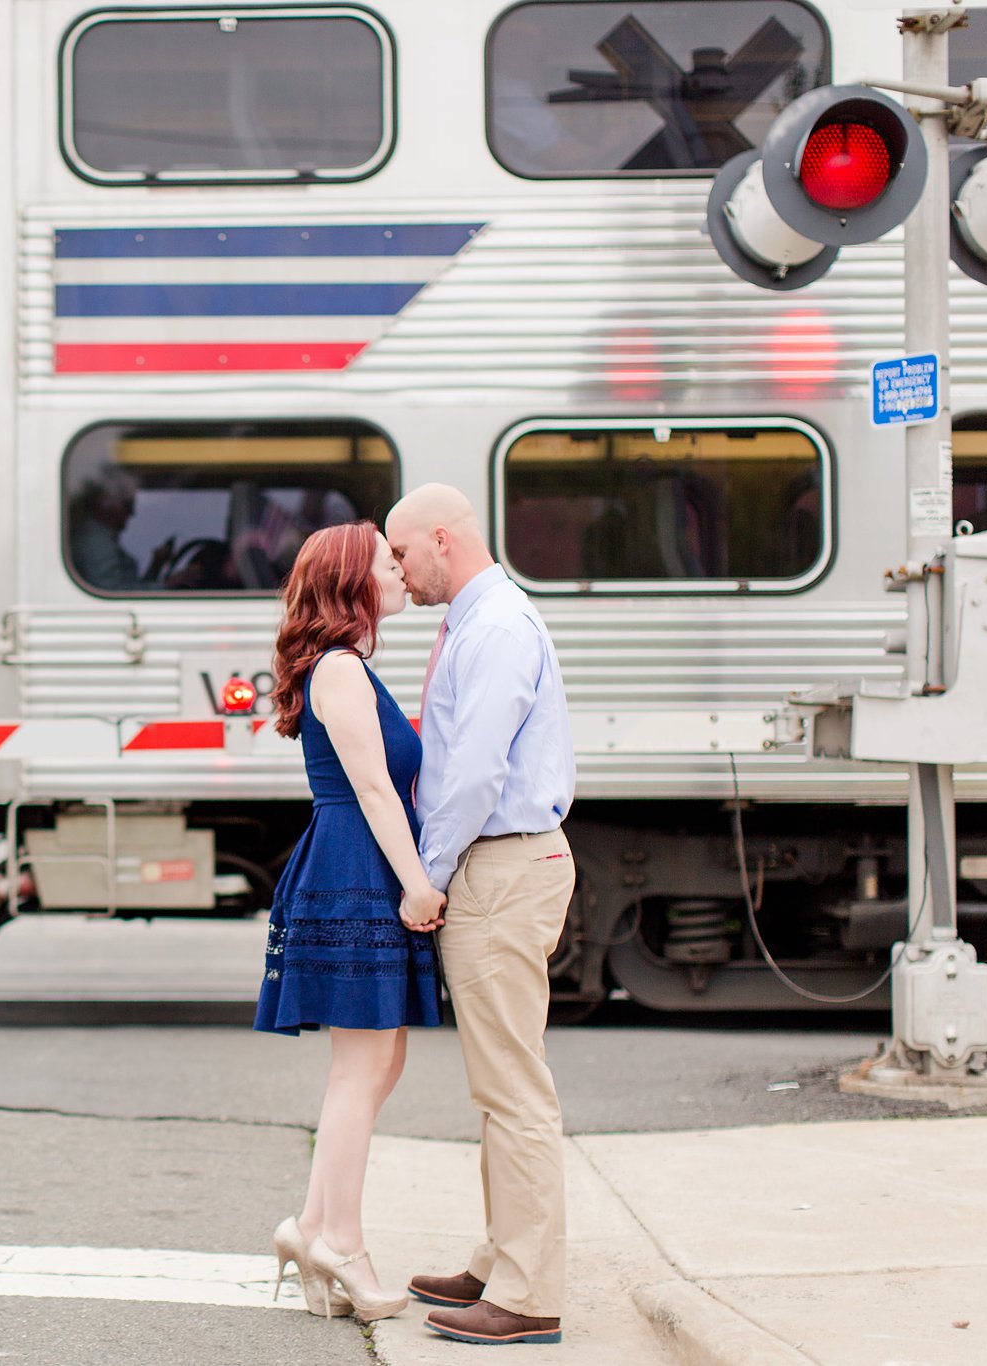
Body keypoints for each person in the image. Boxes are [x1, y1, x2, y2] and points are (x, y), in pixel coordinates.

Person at [383, 483, 577, 1348]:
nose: (396, 571)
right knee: (502, 1081)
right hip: (501, 865)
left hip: (498, 866)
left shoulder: (493, 628)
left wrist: (426, 876)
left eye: (400, 554)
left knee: (514, 1088)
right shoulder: (482, 621)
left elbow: (472, 773)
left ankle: (528, 1293)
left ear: (440, 540)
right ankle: (502, 1258)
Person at [254, 520, 445, 1326]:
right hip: (357, 868)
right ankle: (342, 1244)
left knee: (376, 1065)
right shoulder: (339, 670)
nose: (399, 571)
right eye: (385, 562)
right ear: (353, 586)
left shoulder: (348, 668)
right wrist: (417, 885)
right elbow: (373, 790)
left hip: (357, 863)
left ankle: (312, 1228)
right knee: (360, 1069)